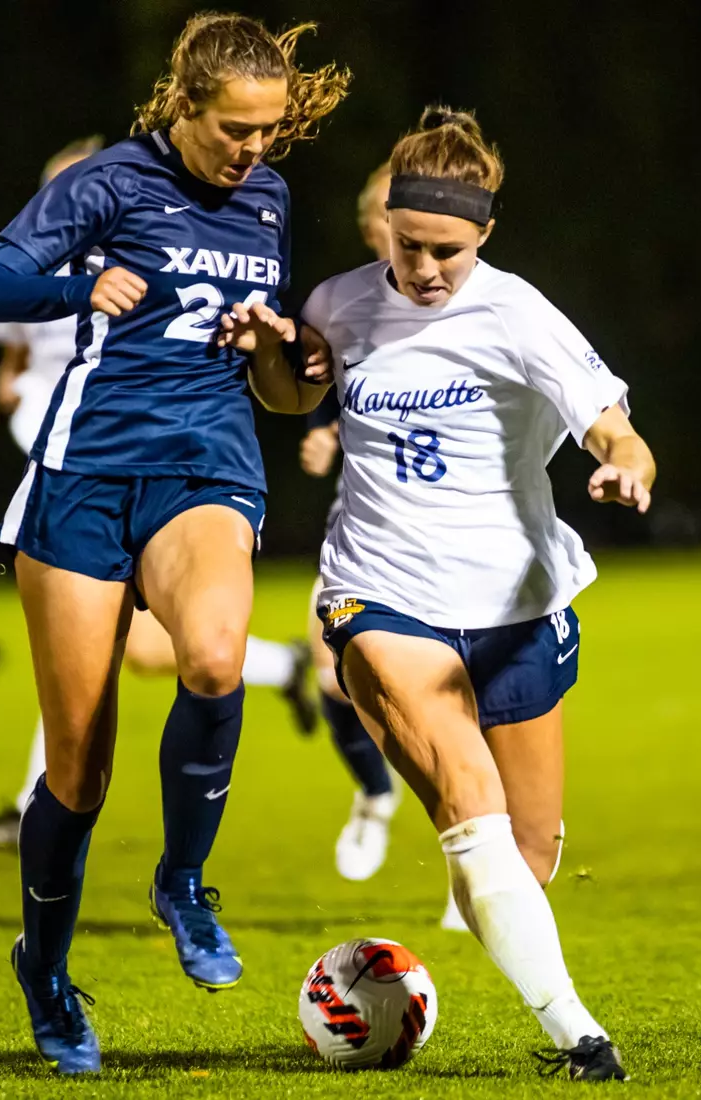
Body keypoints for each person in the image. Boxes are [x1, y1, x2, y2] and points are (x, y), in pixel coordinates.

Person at [0, 12, 345, 1074]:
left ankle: (180, 881)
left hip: (207, 464)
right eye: (235, 128)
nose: (253, 149)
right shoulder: (107, 183)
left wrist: (286, 352)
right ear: (185, 106)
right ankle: (44, 967)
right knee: (76, 769)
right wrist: (78, 285)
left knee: (216, 655)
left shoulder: (267, 198)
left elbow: (276, 388)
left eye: (269, 130)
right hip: (82, 477)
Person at [297, 107, 656, 1081]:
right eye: (407, 245)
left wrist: (625, 463)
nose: (423, 268)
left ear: (483, 235)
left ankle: (494, 892)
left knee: (527, 845)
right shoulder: (338, 302)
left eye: (445, 251)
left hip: (515, 607)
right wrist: (271, 359)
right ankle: (580, 1035)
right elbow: (291, 387)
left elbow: (614, 426)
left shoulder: (517, 314)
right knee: (469, 797)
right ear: (384, 223)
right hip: (382, 593)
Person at [0, 136, 318, 854]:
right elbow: (10, 342)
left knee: (152, 651)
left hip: (167, 459)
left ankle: (160, 862)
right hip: (75, 451)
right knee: (103, 663)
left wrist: (281, 347)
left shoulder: (206, 214)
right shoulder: (52, 255)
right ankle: (51, 809)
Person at [298, 162, 409, 885]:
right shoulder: (348, 306)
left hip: (454, 529)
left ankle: (481, 854)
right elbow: (337, 385)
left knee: (461, 698)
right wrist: (322, 428)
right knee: (331, 674)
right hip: (363, 522)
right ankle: (374, 793)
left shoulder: (480, 306)